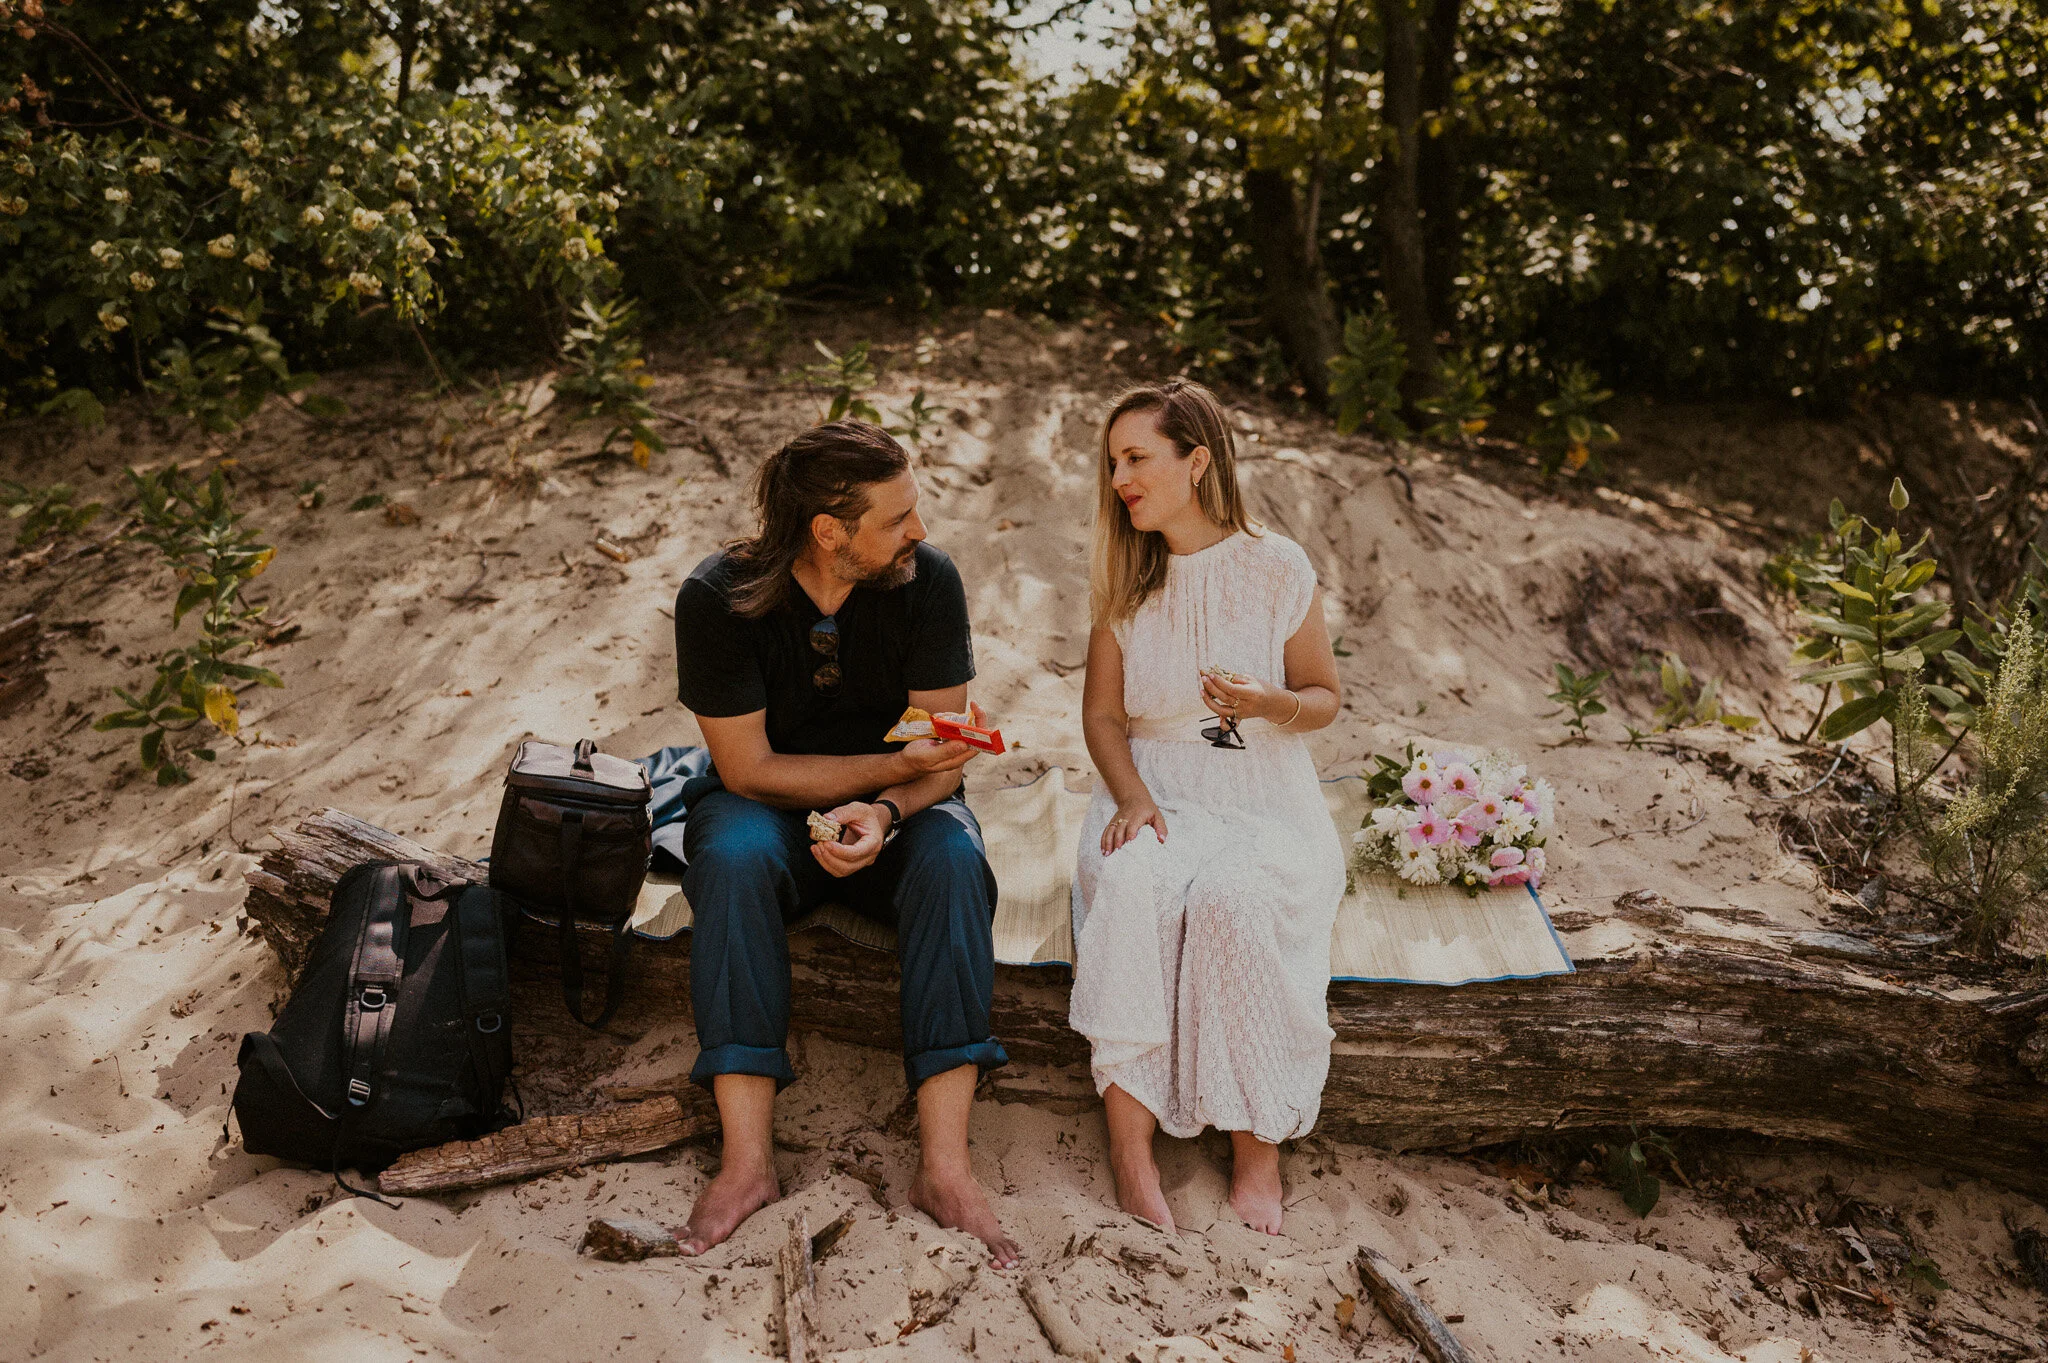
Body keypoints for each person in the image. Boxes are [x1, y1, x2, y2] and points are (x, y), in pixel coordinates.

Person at [670, 418, 1019, 1266]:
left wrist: (889, 810)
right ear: (830, 531)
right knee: (730, 857)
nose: (920, 532)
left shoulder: (928, 582)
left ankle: (945, 1167)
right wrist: (875, 773)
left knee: (954, 862)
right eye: (898, 518)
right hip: (764, 809)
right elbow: (747, 767)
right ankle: (747, 1163)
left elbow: (944, 760)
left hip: (900, 811)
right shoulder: (716, 598)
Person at [1072, 378, 1346, 1237]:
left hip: (1260, 790)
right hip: (1152, 779)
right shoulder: (1124, 571)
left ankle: (1257, 1146)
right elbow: (1103, 714)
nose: (1120, 477)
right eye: (1114, 461)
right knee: (1133, 885)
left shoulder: (1276, 566)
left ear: (1197, 462)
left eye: (1137, 458)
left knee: (1236, 900)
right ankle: (1131, 1146)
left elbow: (1327, 698)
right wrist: (1134, 796)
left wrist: (1267, 700)